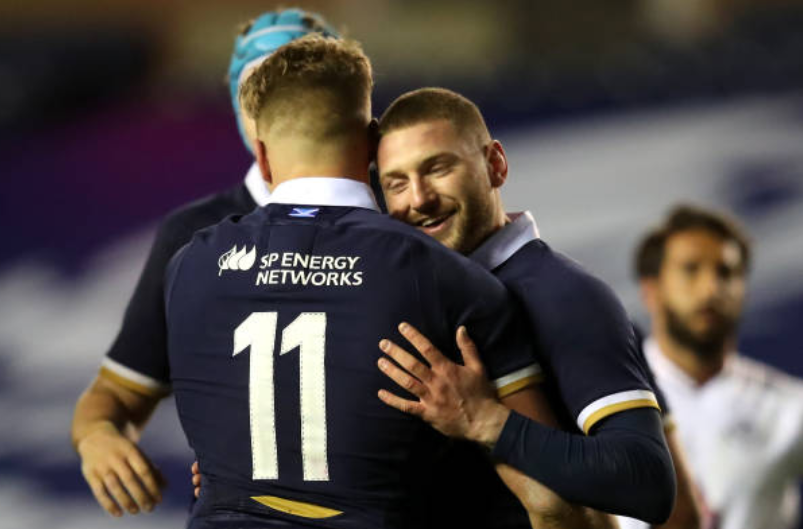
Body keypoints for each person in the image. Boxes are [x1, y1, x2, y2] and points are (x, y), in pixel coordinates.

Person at [166, 35, 548, 529]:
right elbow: (549, 491)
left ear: (261, 156)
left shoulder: (188, 266)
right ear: (373, 143)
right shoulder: (448, 276)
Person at [70, 8, 338, 517]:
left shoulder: (405, 204)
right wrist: (99, 438)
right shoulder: (192, 236)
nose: (284, 105)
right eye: (262, 86)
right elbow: (114, 395)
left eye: (301, 80)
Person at [372, 87, 682, 526]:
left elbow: (647, 481)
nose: (419, 199)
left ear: (494, 165)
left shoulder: (566, 294)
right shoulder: (406, 297)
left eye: (438, 168)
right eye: (396, 183)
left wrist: (488, 422)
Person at [619, 205, 803, 529]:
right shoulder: (603, 398)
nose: (711, 289)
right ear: (651, 290)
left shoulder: (789, 407)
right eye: (691, 269)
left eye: (726, 272)